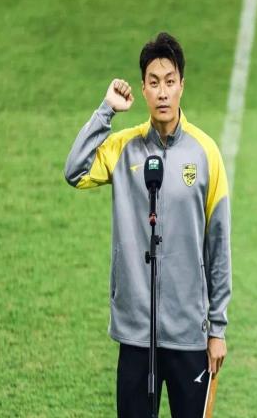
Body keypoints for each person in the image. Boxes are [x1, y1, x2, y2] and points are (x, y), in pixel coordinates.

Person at [64, 32, 232, 417]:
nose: (162, 92)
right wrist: (106, 111)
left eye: (169, 81)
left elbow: (218, 245)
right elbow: (74, 171)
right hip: (137, 333)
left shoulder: (206, 153)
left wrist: (217, 329)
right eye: (153, 83)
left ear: (182, 85)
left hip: (189, 334)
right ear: (142, 89)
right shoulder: (124, 148)